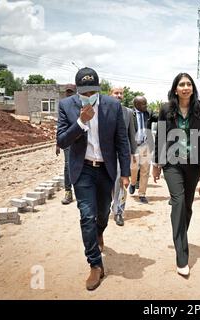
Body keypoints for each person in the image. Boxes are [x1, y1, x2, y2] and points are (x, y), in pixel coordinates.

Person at [57, 67, 130, 290]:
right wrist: (80, 122)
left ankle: (99, 232)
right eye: (84, 92)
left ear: (98, 89)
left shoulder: (113, 105)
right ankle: (95, 264)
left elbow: (121, 141)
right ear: (78, 90)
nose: (89, 96)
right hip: (83, 170)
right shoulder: (66, 106)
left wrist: (125, 172)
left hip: (106, 169)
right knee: (86, 215)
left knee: (103, 212)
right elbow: (61, 141)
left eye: (92, 91)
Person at [152, 72, 200, 277]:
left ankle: (180, 235)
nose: (186, 87)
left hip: (194, 164)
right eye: (182, 84)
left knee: (187, 206)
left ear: (193, 88)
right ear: (175, 89)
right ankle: (182, 255)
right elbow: (161, 137)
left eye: (189, 84)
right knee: (178, 202)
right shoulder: (166, 109)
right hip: (172, 164)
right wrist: (157, 164)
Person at [109, 86, 137, 226]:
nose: (119, 95)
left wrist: (133, 153)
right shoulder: (103, 110)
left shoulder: (128, 112)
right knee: (107, 182)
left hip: (122, 154)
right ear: (110, 94)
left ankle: (119, 212)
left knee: (121, 183)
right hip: (106, 154)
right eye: (116, 93)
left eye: (121, 93)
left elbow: (131, 134)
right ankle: (106, 207)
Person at [129, 96, 152, 204]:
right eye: (144, 104)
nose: (146, 106)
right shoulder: (130, 114)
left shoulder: (148, 113)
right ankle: (133, 183)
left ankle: (142, 194)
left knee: (145, 170)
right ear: (137, 105)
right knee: (134, 169)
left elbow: (160, 117)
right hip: (134, 146)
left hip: (145, 145)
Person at [56, 84, 76, 205]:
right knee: (68, 166)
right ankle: (68, 192)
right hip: (68, 141)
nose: (69, 94)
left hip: (80, 141)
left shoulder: (81, 104)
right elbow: (60, 126)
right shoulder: (63, 105)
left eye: (71, 92)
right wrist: (58, 143)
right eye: (67, 92)